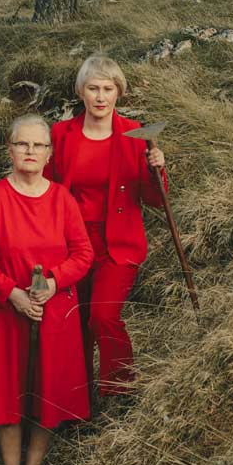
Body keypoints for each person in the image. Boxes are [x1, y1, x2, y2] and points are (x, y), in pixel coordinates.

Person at [0, 114, 94, 465]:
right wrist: (12, 293)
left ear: (49, 153)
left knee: (47, 387)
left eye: (38, 145)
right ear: (10, 148)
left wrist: (53, 282)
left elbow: (83, 253)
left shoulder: (61, 198)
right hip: (6, 311)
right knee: (9, 389)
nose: (30, 151)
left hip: (53, 309)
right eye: (23, 144)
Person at [47, 54, 165, 400]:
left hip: (118, 242)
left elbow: (155, 200)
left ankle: (119, 391)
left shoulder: (135, 135)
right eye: (93, 88)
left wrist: (157, 170)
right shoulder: (61, 135)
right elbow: (48, 189)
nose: (100, 96)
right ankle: (78, 399)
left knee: (102, 316)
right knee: (75, 322)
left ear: (118, 92)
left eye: (108, 88)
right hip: (71, 244)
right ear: (80, 92)